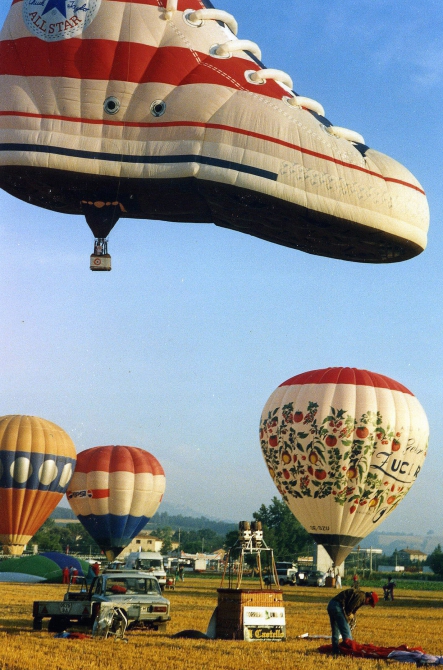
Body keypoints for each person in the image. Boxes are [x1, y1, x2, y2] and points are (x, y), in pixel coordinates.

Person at [327, 589, 379, 655]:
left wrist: (352, 616)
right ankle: (349, 651)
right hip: (338, 607)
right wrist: (349, 617)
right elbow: (349, 609)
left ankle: (335, 651)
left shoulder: (360, 595)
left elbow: (352, 609)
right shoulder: (361, 597)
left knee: (336, 631)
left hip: (331, 605)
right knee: (347, 632)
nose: (367, 604)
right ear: (369, 598)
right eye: (369, 602)